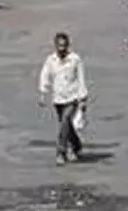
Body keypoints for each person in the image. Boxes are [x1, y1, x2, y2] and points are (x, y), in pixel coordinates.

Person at [38, 32, 89, 166]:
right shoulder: (51, 60)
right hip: (58, 98)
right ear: (55, 45)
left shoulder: (75, 59)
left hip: (72, 97)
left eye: (64, 46)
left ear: (68, 46)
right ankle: (76, 145)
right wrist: (43, 93)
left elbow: (81, 78)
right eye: (59, 46)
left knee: (65, 121)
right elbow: (45, 75)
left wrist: (83, 98)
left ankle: (61, 151)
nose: (62, 49)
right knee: (67, 125)